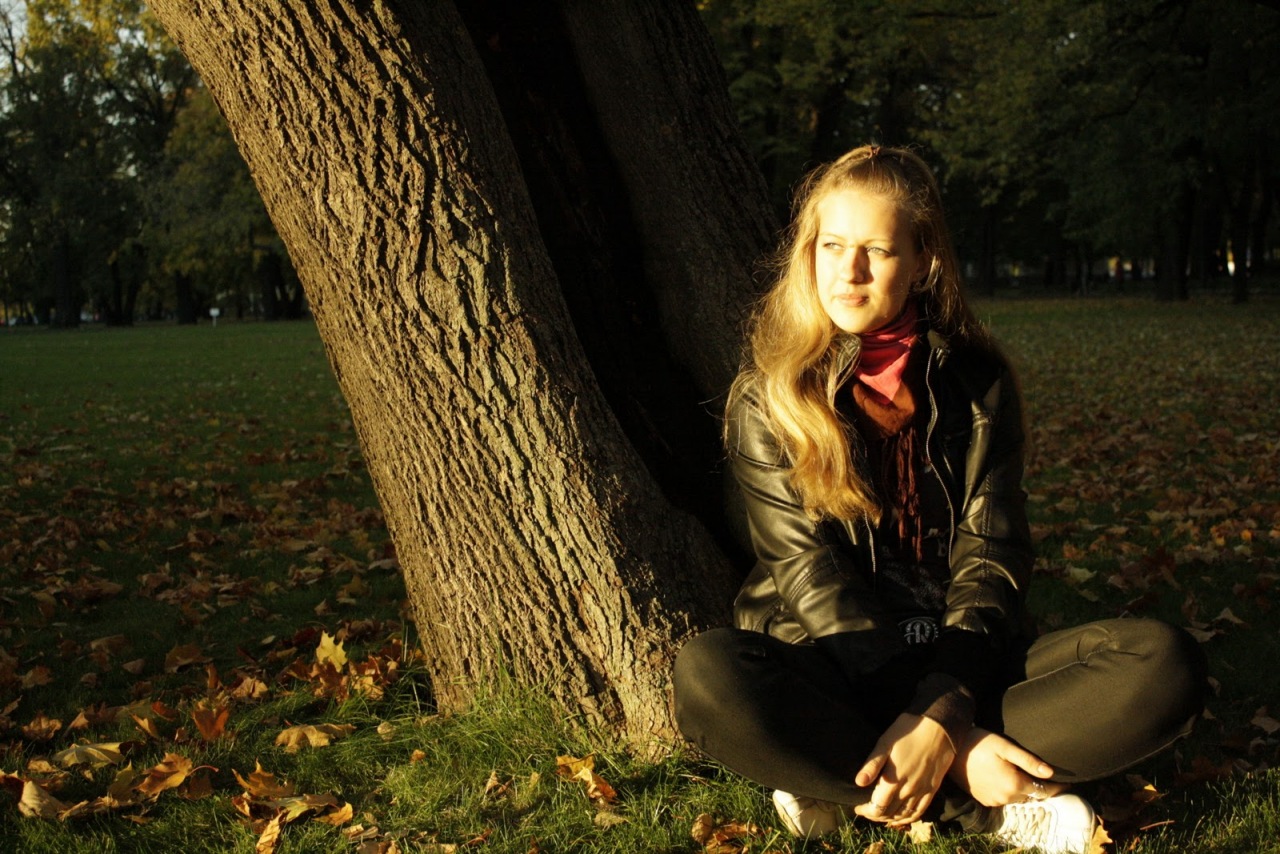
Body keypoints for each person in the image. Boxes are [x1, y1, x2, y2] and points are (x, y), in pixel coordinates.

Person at [672, 144, 1206, 853]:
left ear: (922, 261)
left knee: (1163, 663)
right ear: (809, 253)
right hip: (833, 660)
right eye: (832, 246)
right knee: (709, 676)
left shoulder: (978, 381)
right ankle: (983, 806)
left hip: (968, 657)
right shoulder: (769, 395)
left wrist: (947, 705)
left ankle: (841, 775)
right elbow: (808, 575)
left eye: (876, 250)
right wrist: (954, 737)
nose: (848, 271)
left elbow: (993, 553)